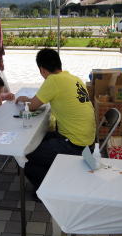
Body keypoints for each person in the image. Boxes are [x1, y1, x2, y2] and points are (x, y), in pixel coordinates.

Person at [16, 48, 96, 191]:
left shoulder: (53, 80)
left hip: (74, 146)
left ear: (42, 69)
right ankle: (54, 174)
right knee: (40, 138)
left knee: (25, 153)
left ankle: (46, 191)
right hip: (88, 143)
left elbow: (33, 106)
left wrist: (25, 100)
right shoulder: (74, 78)